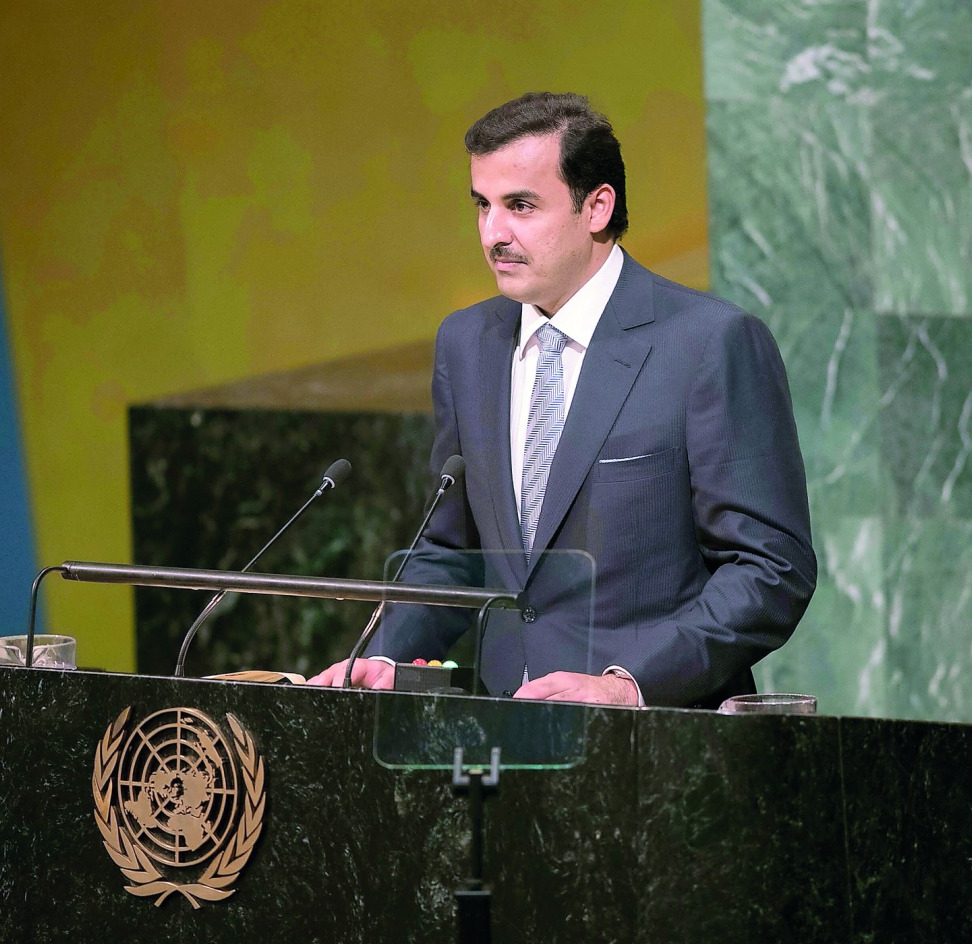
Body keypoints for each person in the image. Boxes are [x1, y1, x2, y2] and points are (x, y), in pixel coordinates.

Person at [309, 92, 815, 708]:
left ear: (596, 207)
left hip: (655, 745)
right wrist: (386, 654)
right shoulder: (467, 343)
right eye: (483, 206)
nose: (494, 233)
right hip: (502, 743)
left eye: (520, 206)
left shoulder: (708, 343)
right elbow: (451, 550)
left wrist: (630, 684)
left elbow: (770, 570)